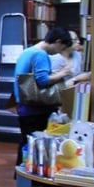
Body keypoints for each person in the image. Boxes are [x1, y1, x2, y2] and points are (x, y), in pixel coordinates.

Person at [14, 27, 76, 167]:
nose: (58, 52)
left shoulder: (27, 51)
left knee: (25, 141)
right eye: (61, 48)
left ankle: (21, 177)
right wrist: (62, 73)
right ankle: (30, 180)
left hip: (24, 106)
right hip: (36, 108)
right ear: (58, 41)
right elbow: (42, 80)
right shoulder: (41, 55)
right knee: (35, 144)